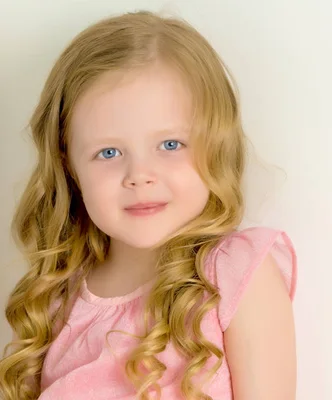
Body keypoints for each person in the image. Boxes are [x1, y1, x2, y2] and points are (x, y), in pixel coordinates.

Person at [0, 10, 297, 400]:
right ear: (68, 165)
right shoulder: (59, 296)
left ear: (215, 144)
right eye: (108, 152)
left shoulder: (233, 275)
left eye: (170, 145)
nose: (140, 175)